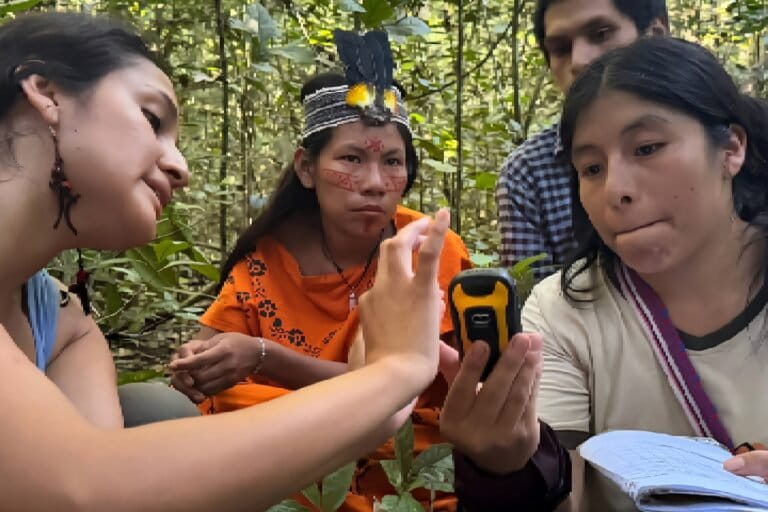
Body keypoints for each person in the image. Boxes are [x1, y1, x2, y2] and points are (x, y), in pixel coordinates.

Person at [0, 12, 453, 511]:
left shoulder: (67, 325)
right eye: (152, 119)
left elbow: (111, 479)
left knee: (153, 412)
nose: (181, 167)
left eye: (393, 162)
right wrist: (393, 375)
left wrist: (385, 380)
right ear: (46, 94)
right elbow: (83, 486)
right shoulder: (265, 259)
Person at [441, 37, 768, 510]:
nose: (616, 189)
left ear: (731, 149)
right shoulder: (564, 311)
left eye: (648, 148)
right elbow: (564, 498)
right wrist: (504, 467)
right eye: (591, 167)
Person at [169, 30, 471, 512]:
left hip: (400, 452)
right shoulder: (269, 256)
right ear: (307, 169)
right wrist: (198, 363)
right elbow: (207, 342)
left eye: (392, 162)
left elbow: (394, 387)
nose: (374, 183)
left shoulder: (429, 248)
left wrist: (263, 356)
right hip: (288, 440)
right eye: (352, 158)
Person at [496, 0, 668, 279]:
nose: (580, 61)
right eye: (561, 49)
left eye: (600, 34)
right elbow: (530, 302)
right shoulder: (529, 171)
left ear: (655, 34)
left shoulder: (726, 129)